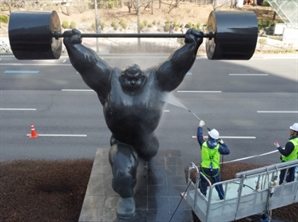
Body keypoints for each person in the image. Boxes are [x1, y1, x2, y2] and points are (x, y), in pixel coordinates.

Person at [63, 28, 203, 218]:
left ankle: (143, 156)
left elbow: (177, 65)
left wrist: (191, 45)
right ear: (121, 77)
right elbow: (89, 64)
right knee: (122, 173)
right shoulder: (108, 81)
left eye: (137, 79)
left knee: (148, 152)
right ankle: (126, 197)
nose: (132, 82)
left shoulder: (157, 80)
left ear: (144, 77)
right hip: (122, 143)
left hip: (148, 142)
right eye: (127, 79)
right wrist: (73, 45)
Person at [197, 120, 230, 200]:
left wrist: (200, 127)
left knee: (203, 183)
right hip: (215, 169)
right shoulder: (219, 147)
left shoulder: (203, 144)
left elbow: (199, 136)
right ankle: (222, 197)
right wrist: (222, 142)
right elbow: (227, 151)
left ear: (209, 136)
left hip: (204, 168)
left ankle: (203, 195)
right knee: (218, 184)